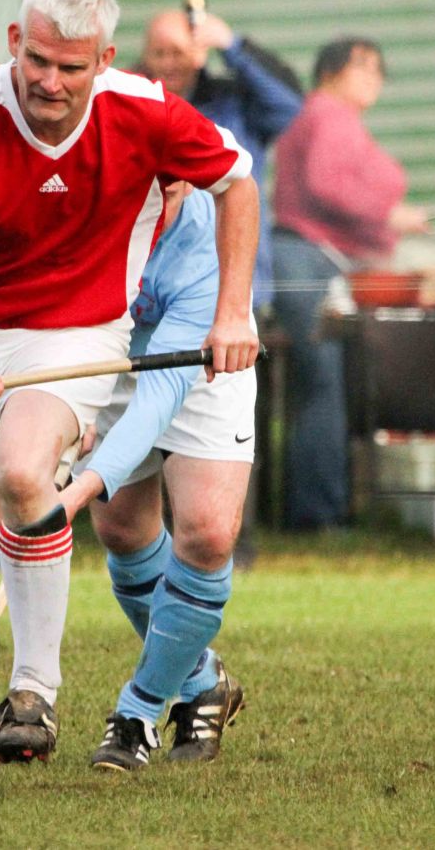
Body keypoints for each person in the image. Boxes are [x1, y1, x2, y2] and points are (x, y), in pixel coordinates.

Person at [0, 0, 260, 797]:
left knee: (28, 473)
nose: (49, 81)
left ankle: (41, 695)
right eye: (37, 60)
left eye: (70, 67)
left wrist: (232, 314)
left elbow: (238, 179)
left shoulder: (145, 116)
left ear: (102, 61)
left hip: (73, 332)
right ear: (15, 41)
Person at [60, 182, 254, 771]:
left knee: (210, 533)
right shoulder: (81, 195)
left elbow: (158, 399)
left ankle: (136, 714)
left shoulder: (201, 236)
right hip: (106, 347)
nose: (155, 207)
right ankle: (201, 679)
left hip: (203, 348)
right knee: (121, 529)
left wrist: (82, 486)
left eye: (167, 191)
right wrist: (69, 406)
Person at [271, 37, 429, 531]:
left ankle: (326, 505)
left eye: (379, 70)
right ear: (330, 71)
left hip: (319, 261)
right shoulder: (327, 113)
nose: (373, 78)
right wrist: (388, 213)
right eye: (363, 67)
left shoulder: (331, 117)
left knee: (325, 383)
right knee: (322, 383)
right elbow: (327, 184)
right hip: (306, 260)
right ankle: (317, 513)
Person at [139, 7, 302, 312]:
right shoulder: (132, 105)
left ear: (198, 54)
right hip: (151, 286)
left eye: (177, 52)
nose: (168, 63)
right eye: (159, 53)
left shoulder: (233, 104)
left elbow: (289, 108)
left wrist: (233, 45)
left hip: (233, 279)